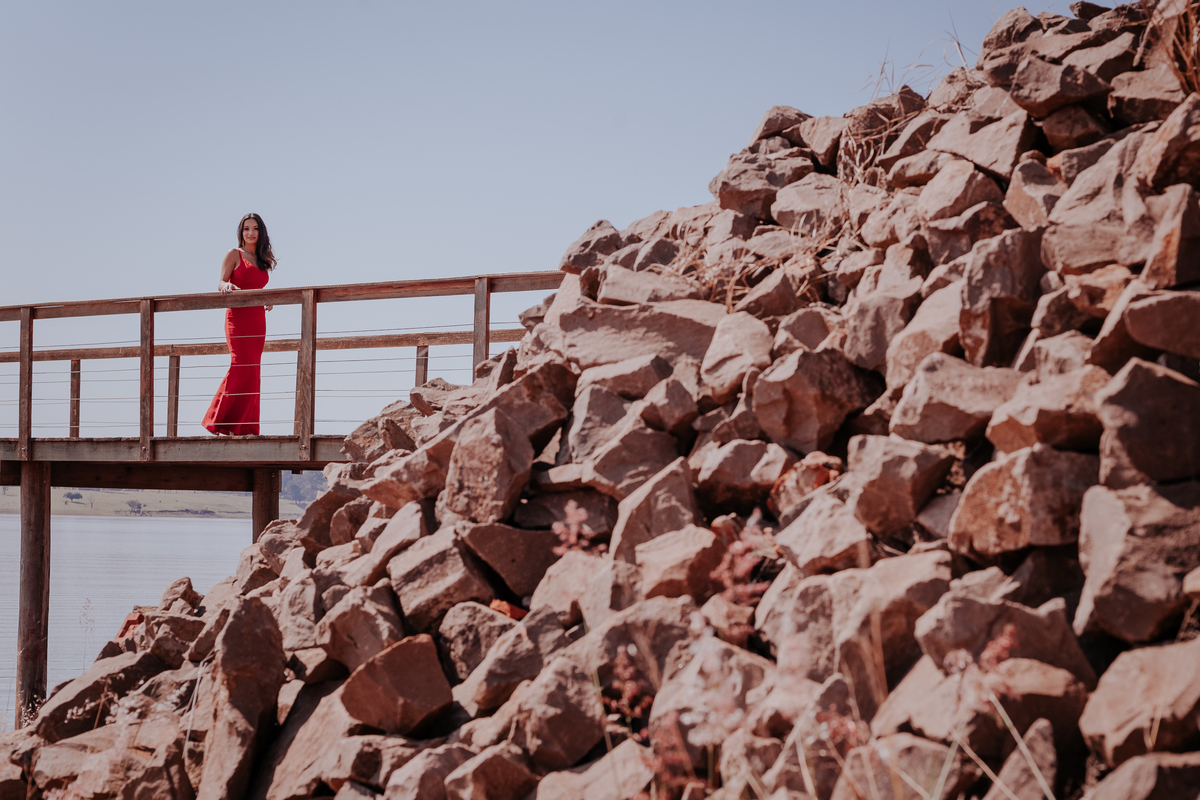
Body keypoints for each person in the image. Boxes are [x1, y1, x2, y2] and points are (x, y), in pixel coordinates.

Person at [202, 213, 276, 435]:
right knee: (240, 365)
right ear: (241, 232)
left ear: (260, 232)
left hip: (257, 320)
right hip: (238, 318)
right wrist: (225, 286)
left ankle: (246, 427)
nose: (250, 233)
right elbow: (221, 281)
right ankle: (217, 421)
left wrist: (268, 299)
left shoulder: (263, 259)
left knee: (253, 370)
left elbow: (258, 286)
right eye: (246, 229)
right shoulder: (234, 254)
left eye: (254, 228)